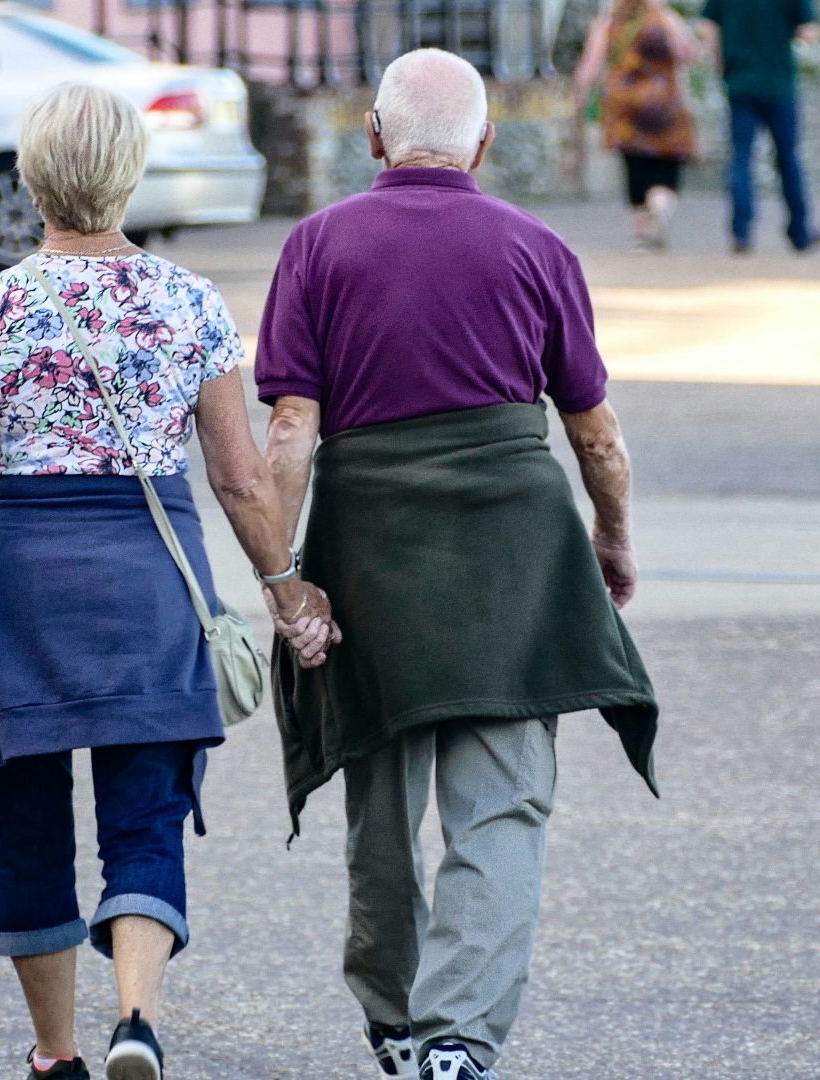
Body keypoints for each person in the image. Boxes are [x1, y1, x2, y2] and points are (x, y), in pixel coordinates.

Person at [0, 83, 337, 1080]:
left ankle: (57, 1056)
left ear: (30, 179)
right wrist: (288, 595)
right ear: (130, 175)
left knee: (28, 823)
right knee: (146, 814)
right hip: (149, 582)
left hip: (17, 587)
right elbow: (239, 477)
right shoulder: (192, 303)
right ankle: (139, 1022)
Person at [255, 49, 660, 1080]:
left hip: (371, 550)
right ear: (483, 145)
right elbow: (597, 434)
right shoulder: (537, 247)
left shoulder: (318, 245)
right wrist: (610, 539)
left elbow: (293, 429)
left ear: (376, 138)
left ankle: (394, 1022)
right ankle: (456, 1043)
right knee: (504, 804)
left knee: (381, 796)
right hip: (512, 556)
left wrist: (283, 576)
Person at [697, 0, 820, 254]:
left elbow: (707, 29)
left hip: (740, 82)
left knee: (741, 157)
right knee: (788, 158)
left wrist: (721, 64)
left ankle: (741, 232)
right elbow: (809, 32)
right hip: (778, 83)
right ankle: (799, 232)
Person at [574, 0, 701, 251]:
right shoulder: (666, 20)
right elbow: (689, 55)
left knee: (634, 165)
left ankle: (643, 232)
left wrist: (580, 97)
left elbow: (590, 65)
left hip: (624, 106)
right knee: (668, 163)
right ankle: (660, 205)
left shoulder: (609, 23)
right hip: (665, 103)